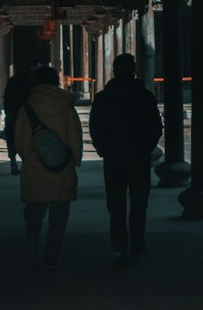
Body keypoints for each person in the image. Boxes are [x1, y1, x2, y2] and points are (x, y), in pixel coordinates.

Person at [89, 52, 163, 268]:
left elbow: (95, 128)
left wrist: (104, 149)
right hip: (138, 157)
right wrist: (146, 148)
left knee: (116, 203)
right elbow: (156, 127)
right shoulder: (144, 96)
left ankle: (120, 243)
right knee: (139, 202)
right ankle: (137, 240)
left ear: (113, 71)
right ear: (134, 71)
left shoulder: (104, 98)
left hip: (114, 158)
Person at [14, 66, 83, 267]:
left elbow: (19, 138)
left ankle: (32, 249)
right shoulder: (66, 105)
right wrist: (75, 160)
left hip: (35, 168)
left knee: (34, 215)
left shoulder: (27, 105)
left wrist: (30, 157)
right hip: (62, 168)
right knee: (58, 218)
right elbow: (75, 137)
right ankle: (52, 256)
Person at [2, 64, 34, 175]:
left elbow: (6, 97)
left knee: (11, 137)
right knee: (27, 137)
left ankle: (13, 161)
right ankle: (27, 162)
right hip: (26, 114)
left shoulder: (12, 81)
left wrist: (7, 112)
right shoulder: (30, 82)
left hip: (12, 113)